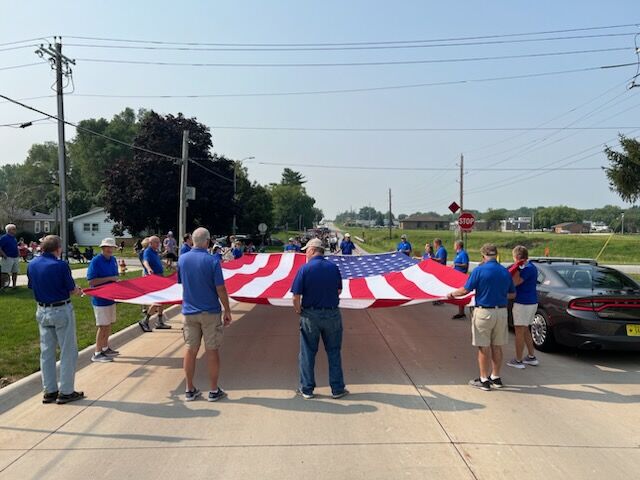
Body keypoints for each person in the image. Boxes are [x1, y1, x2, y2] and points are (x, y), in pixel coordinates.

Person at [447, 243, 515, 391]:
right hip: (501, 312)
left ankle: (484, 379)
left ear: (483, 255)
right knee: (497, 346)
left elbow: (465, 290)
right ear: (496, 254)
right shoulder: (505, 272)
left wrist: (451, 294)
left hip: (484, 312)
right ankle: (496, 377)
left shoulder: (479, 270)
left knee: (483, 347)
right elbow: (512, 294)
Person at [27, 235, 84, 404]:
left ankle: (50, 390)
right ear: (57, 249)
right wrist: (78, 290)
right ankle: (66, 391)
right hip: (60, 309)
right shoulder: (60, 265)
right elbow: (70, 288)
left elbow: (32, 285)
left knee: (46, 352)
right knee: (68, 351)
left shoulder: (32, 264)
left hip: (42, 310)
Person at [178, 227, 233, 402]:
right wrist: (227, 309)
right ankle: (213, 390)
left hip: (189, 312)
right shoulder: (212, 261)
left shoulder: (182, 260)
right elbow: (220, 288)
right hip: (209, 312)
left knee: (190, 350)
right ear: (208, 241)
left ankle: (189, 388)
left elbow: (182, 282)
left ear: (192, 240)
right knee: (212, 350)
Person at [292, 238, 348, 400]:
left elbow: (296, 296)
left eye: (306, 251)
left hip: (310, 315)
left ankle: (307, 389)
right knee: (334, 352)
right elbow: (338, 290)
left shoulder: (305, 269)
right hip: (332, 315)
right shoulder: (333, 268)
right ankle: (337, 389)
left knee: (307, 353)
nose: (305, 254)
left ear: (312, 250)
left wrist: (299, 311)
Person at [87, 238, 121, 363]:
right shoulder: (96, 261)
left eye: (111, 247)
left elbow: (115, 277)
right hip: (100, 298)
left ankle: (105, 348)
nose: (110, 249)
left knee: (109, 324)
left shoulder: (113, 260)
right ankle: (97, 352)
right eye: (107, 247)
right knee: (102, 326)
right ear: (102, 248)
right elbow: (91, 281)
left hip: (111, 297)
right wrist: (111, 278)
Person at [507, 246, 540, 369]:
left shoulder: (526, 268)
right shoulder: (532, 267)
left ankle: (518, 360)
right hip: (531, 302)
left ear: (516, 257)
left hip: (523, 303)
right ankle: (531, 356)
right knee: (525, 329)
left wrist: (514, 269)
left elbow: (515, 282)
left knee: (519, 331)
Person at [139, 236, 171, 332]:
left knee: (162, 300)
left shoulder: (155, 251)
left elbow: (158, 260)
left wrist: (168, 265)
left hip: (160, 277)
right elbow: (145, 261)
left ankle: (160, 321)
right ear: (150, 243)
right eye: (156, 242)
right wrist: (148, 268)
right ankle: (145, 321)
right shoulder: (148, 251)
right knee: (158, 300)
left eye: (159, 242)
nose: (158, 244)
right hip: (155, 278)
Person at [451, 240, 470, 320]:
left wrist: (456, 264)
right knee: (458, 293)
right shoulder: (458, 254)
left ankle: (461, 312)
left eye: (455, 245)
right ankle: (460, 312)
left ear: (458, 246)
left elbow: (465, 265)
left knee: (461, 293)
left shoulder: (463, 254)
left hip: (461, 276)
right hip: (457, 276)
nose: (454, 246)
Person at [0, 223, 20, 290]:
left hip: (15, 257)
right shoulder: (4, 238)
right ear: (8, 230)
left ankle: (14, 285)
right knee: (4, 272)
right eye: (13, 229)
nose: (15, 230)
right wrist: (4, 255)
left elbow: (15, 246)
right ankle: (3, 286)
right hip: (8, 257)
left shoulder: (14, 238)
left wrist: (18, 252)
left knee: (15, 272)